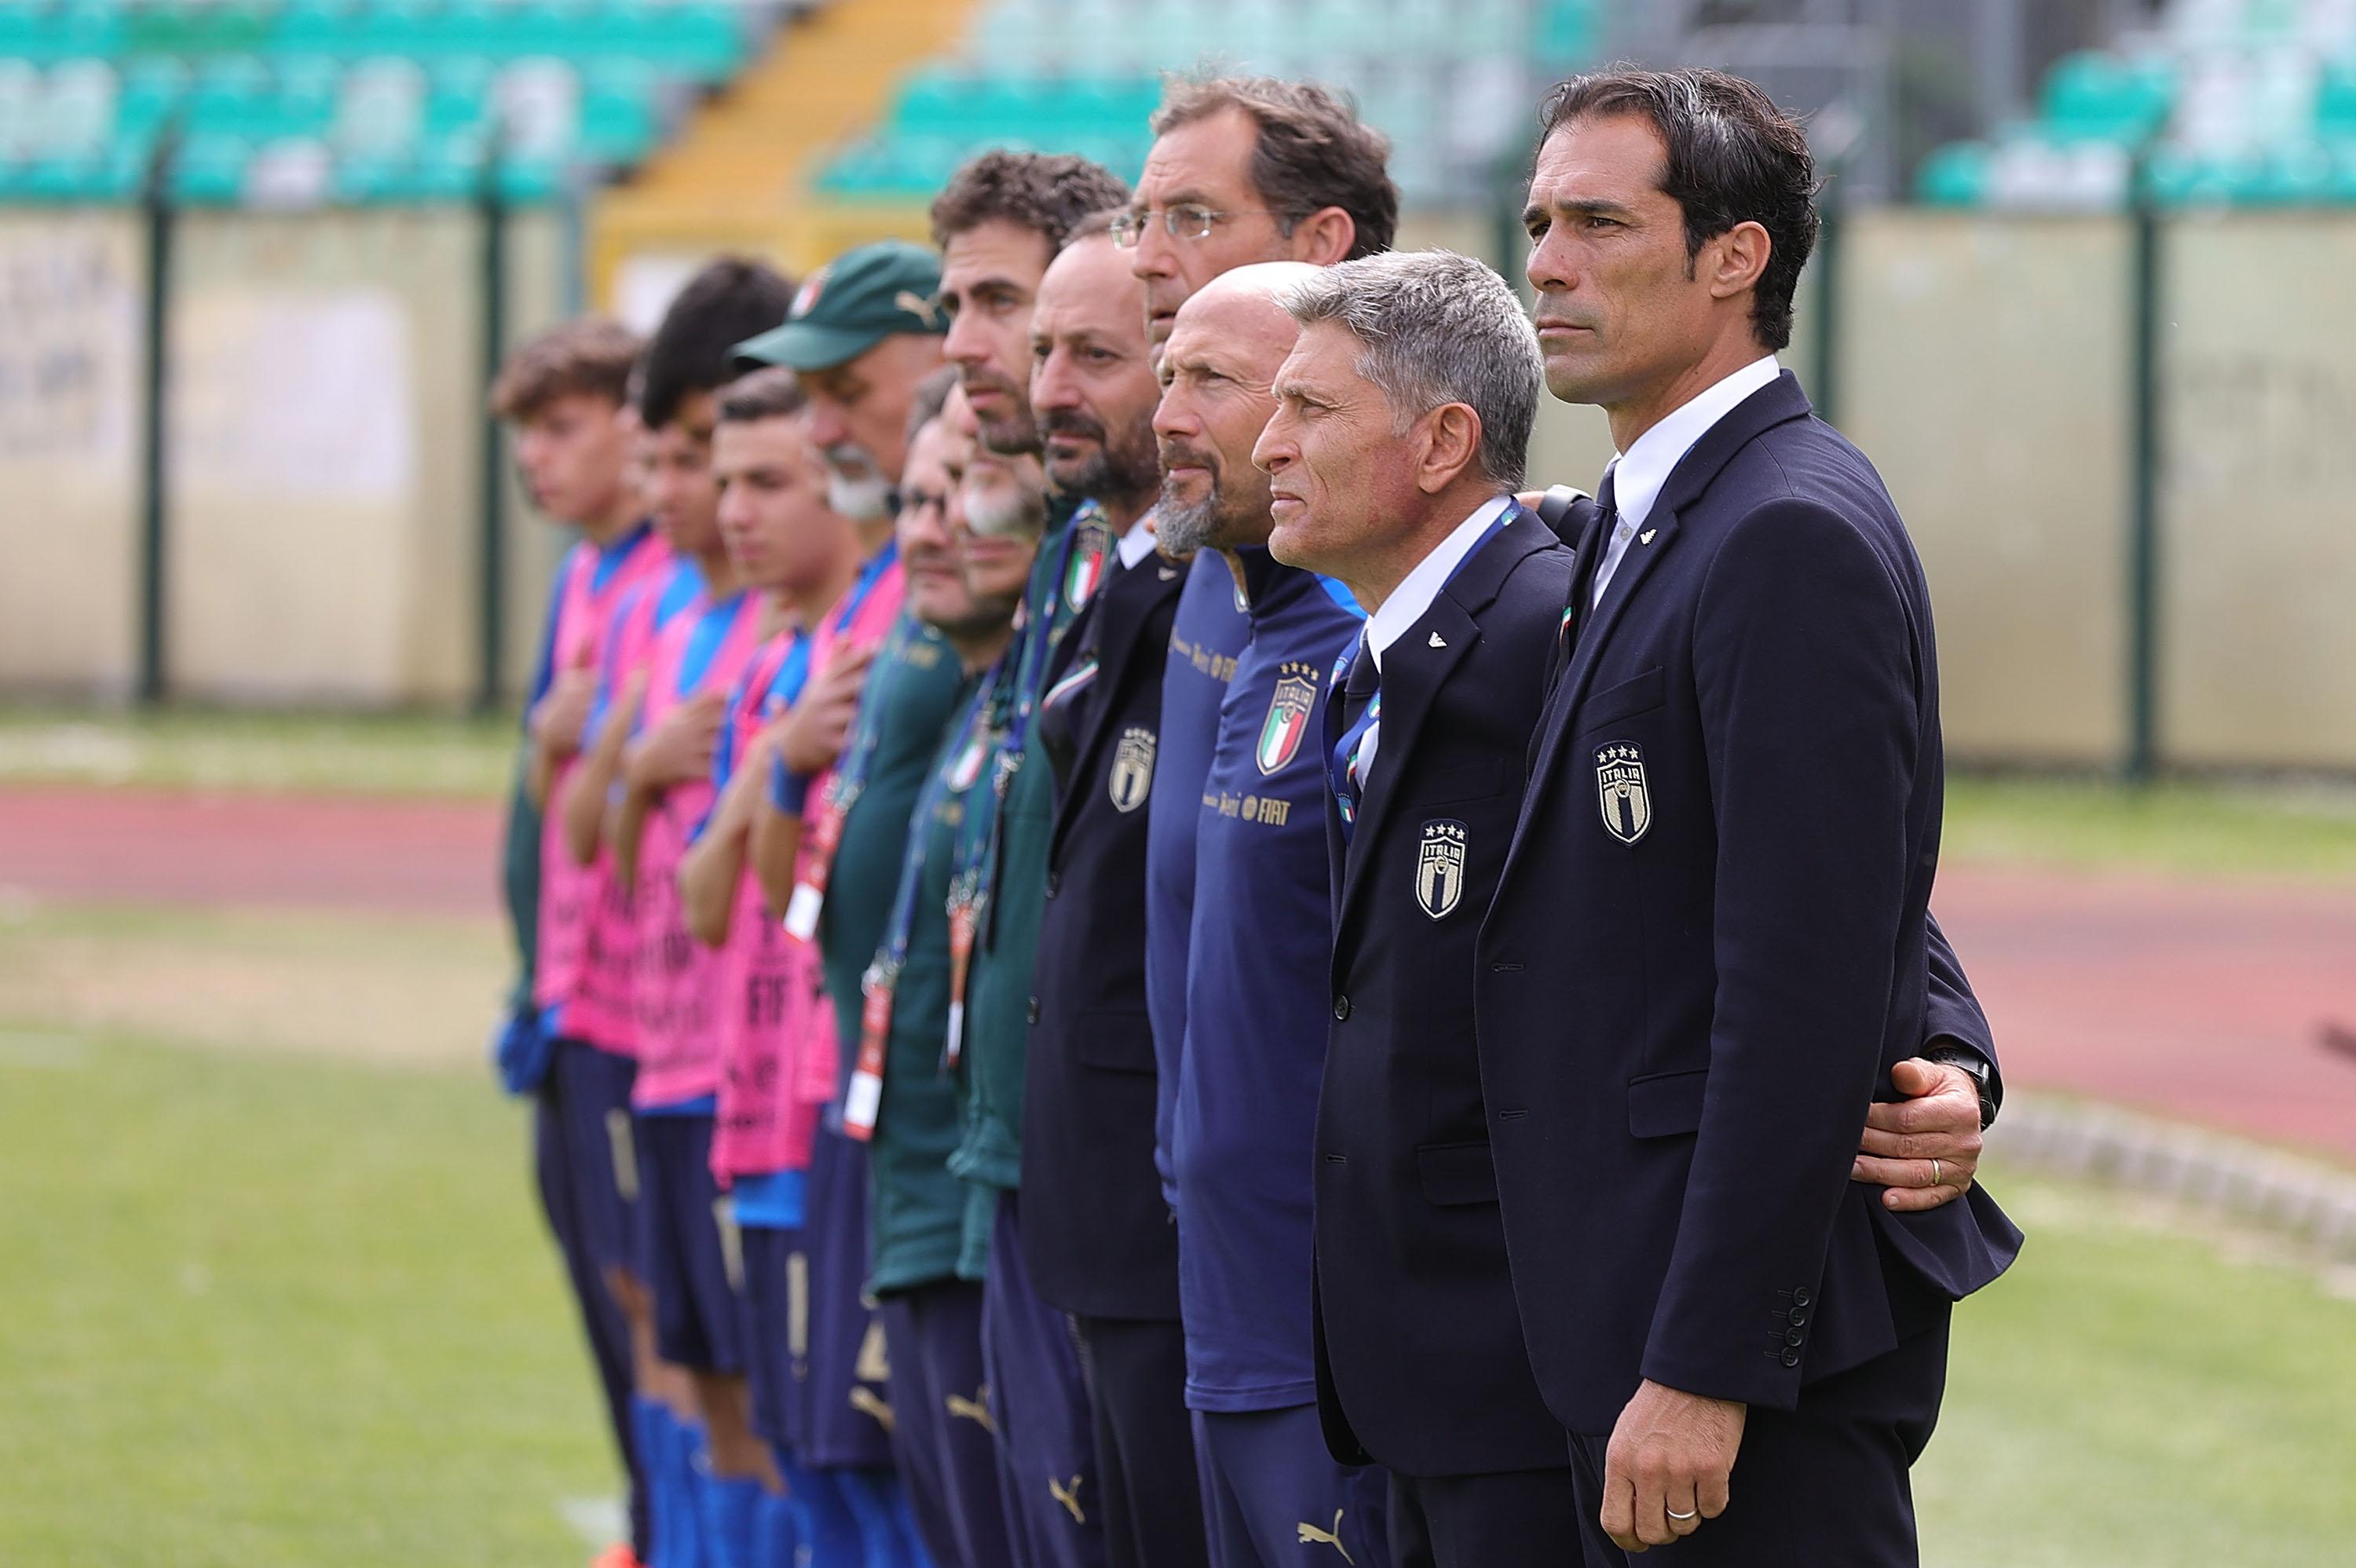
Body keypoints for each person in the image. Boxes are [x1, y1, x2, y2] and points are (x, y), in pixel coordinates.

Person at [1482, 69, 2023, 1563]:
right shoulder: (1654, 514)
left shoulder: (1783, 530)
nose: (1546, 260)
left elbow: (1801, 978)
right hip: (1628, 1323)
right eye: (1538, 220)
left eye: (1599, 220)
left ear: (1736, 257)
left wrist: (1710, 1359)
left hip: (1732, 1374)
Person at [563, 258, 796, 1568]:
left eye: (706, 453)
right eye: (675, 457)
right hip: (654, 1044)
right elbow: (590, 826)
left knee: (773, 1397)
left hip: (746, 1067)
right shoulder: (666, 607)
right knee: (672, 1344)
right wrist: (627, 762)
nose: (689, 491)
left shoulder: (792, 623)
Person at [678, 365, 914, 1566]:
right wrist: (773, 760)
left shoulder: (882, 637)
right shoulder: (790, 662)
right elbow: (713, 900)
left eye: (769, 481)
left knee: (862, 1469)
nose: (735, 513)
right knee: (803, 1453)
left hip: (834, 1110)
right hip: (760, 1113)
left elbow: (800, 904)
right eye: (726, 484)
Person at [836, 384, 1036, 1568]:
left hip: (974, 1219)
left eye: (960, 490)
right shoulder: (970, 700)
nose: (929, 525)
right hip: (913, 1190)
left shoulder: (1028, 699)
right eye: (913, 497)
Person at [490, 315, 668, 1568]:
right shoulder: (584, 574)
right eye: (525, 440)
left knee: (655, 1299)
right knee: (604, 1288)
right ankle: (652, 1516)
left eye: (561, 429)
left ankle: (676, 1526)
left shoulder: (675, 578)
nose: (537, 463)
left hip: (643, 1011)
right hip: (566, 1002)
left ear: (632, 422)